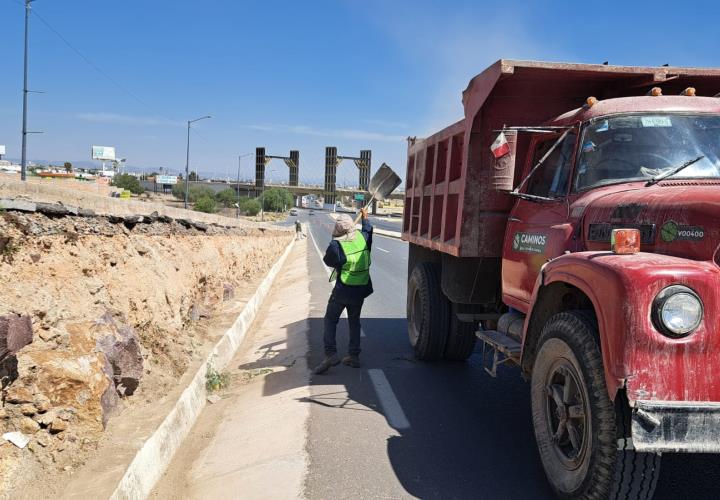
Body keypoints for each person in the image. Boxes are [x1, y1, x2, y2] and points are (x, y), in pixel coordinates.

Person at [314, 207, 373, 374]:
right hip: (360, 290)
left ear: (338, 230)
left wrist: (335, 244)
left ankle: (330, 354)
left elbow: (328, 261)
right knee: (354, 322)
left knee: (330, 320)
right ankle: (354, 356)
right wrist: (365, 218)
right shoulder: (363, 238)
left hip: (342, 290)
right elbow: (368, 230)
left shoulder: (336, 245)